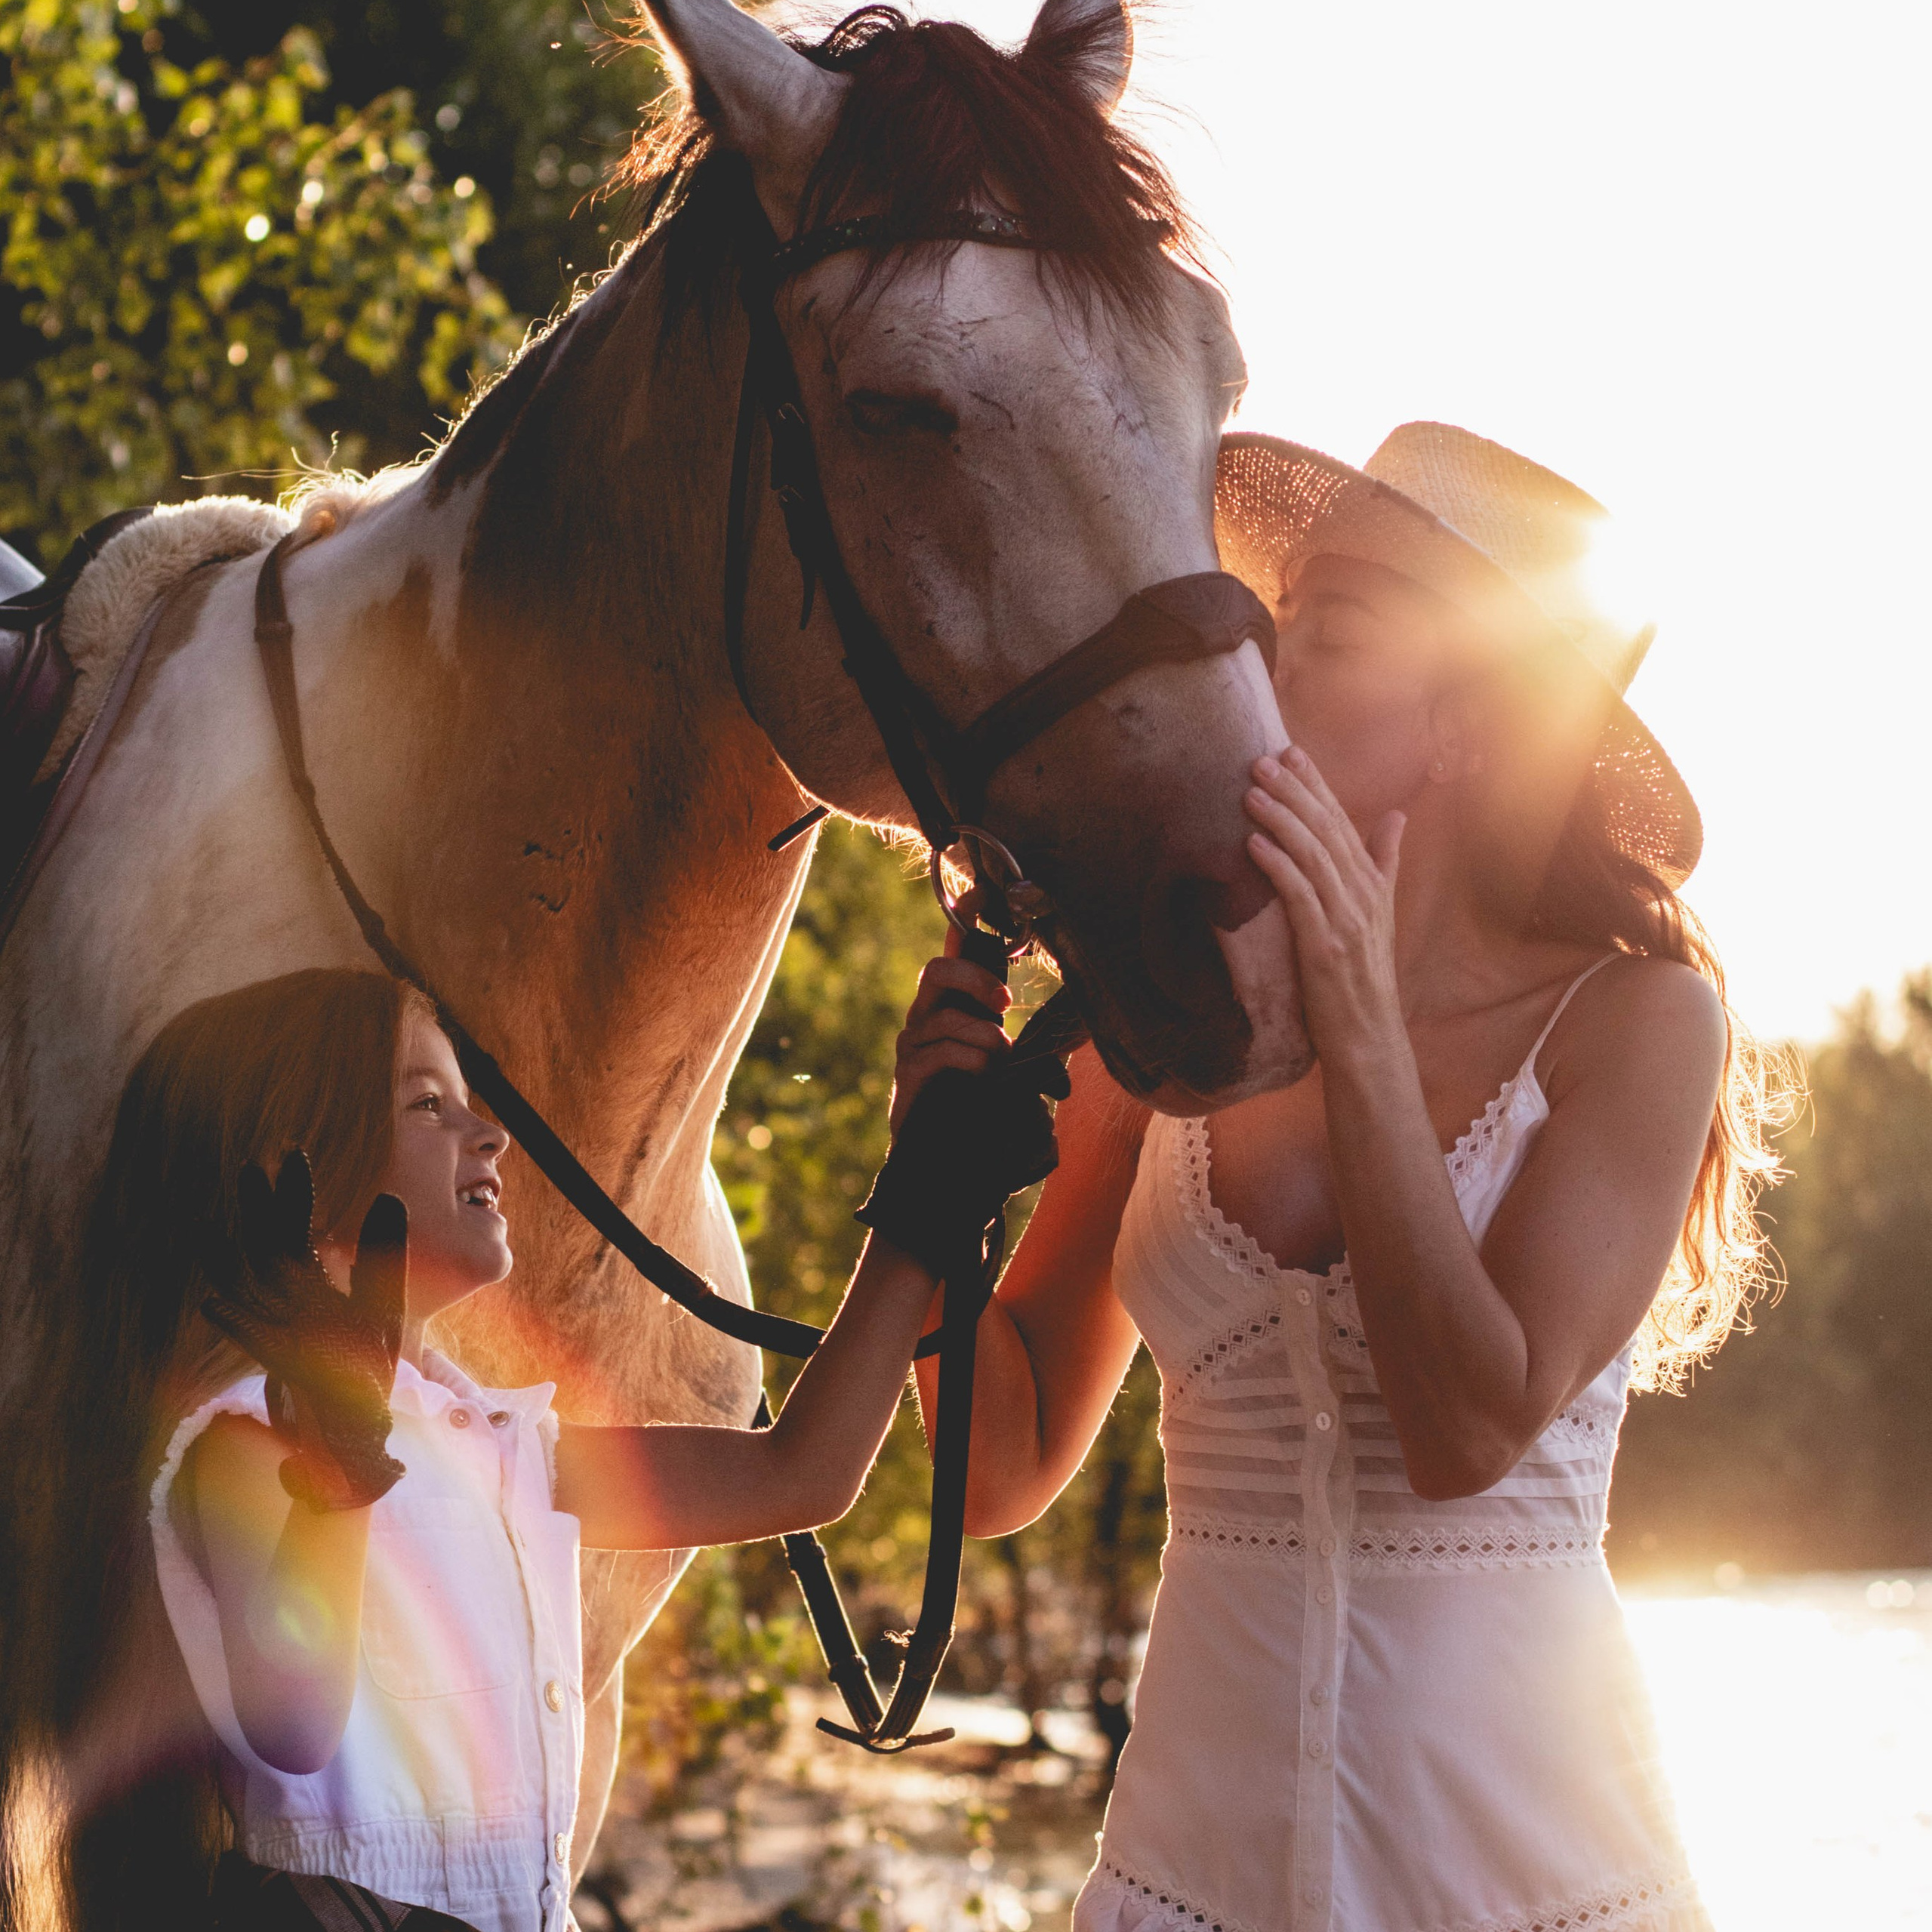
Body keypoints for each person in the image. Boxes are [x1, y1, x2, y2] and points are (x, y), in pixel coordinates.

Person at [904, 424, 1786, 1932]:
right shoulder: (1157, 1022)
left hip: (1526, 1882)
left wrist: (1356, 1011)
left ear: (1460, 722)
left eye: (1325, 625)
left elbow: (1463, 1423)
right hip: (1190, 1879)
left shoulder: (1635, 1023)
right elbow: (999, 1464)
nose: (1258, 657)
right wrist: (929, 1190)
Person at [48, 962, 1053, 1931]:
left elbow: (803, 1473)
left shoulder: (502, 1450)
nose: (490, 1135)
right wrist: (339, 1455)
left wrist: (925, 1189)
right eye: (427, 1105)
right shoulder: (243, 1439)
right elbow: (297, 1726)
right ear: (291, 1174)